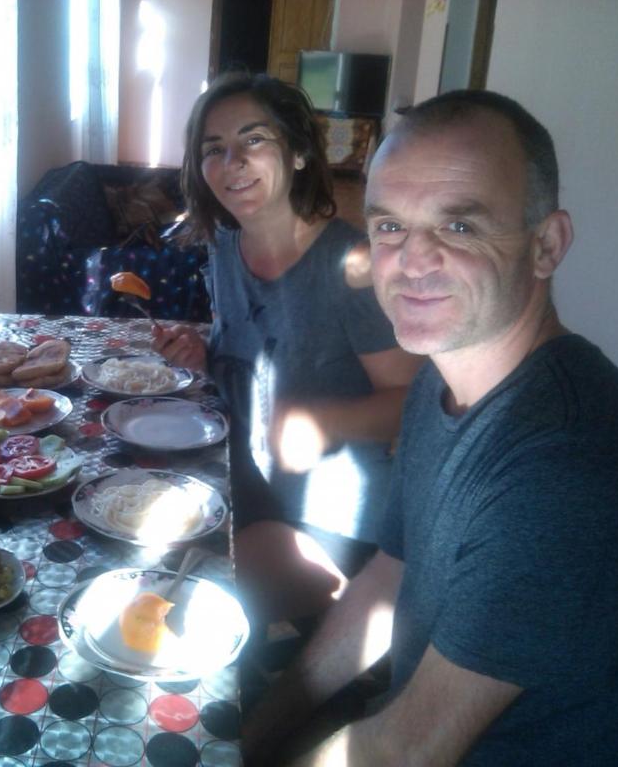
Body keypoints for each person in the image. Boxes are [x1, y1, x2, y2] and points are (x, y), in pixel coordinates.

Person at [241, 89, 618, 766]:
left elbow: (403, 752)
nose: (412, 260)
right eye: (389, 227)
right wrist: (258, 731)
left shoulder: (566, 471)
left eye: (459, 227)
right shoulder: (441, 379)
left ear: (546, 245)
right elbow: (390, 576)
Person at [152, 71, 422, 623]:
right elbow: (249, 351)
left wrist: (326, 421)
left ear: (298, 152)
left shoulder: (352, 266)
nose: (232, 162)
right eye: (214, 149)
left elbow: (414, 403)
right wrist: (204, 353)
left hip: (334, 515)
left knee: (190, 595)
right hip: (242, 477)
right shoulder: (224, 244)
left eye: (253, 139)